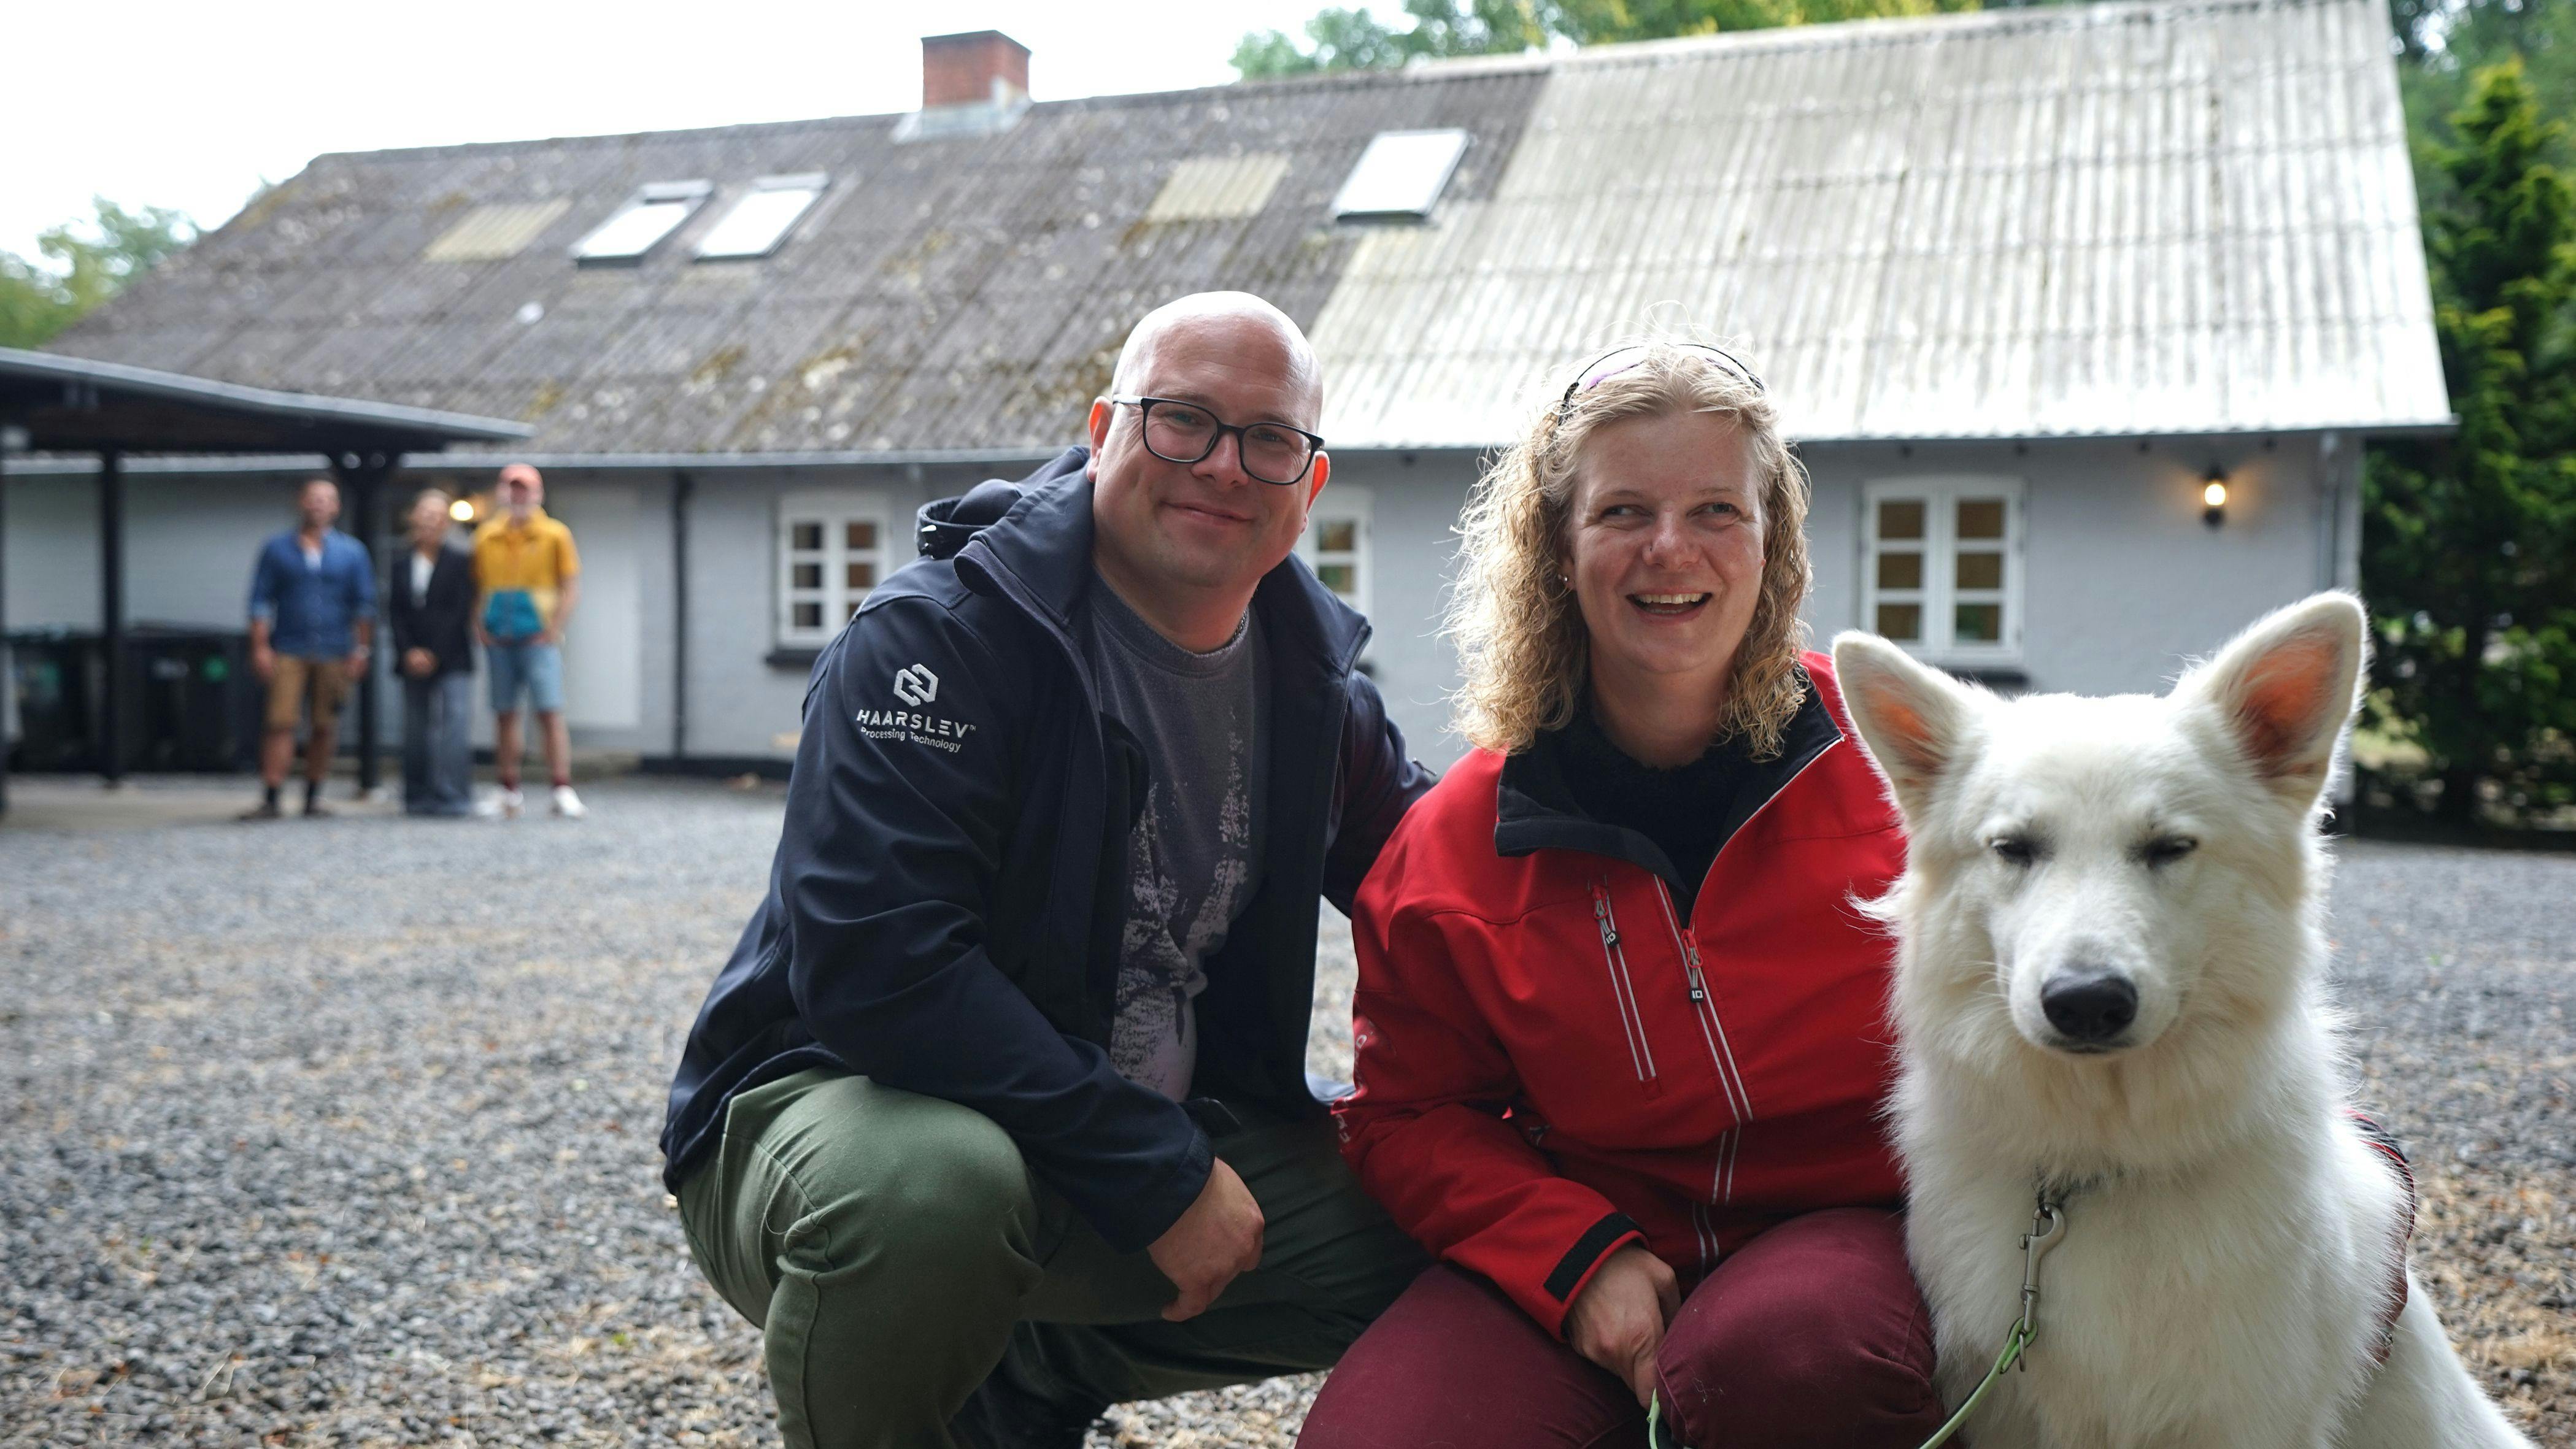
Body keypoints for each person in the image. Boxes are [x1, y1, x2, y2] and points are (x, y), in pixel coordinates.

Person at [661, 292, 1433, 1449]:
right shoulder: (945, 637)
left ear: (1308, 484)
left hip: (1134, 1137)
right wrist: (1158, 1176)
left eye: (1269, 438)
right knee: (934, 1196)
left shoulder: (1311, 685)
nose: (1222, 466)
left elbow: (1449, 888)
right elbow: (881, 966)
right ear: (1101, 429)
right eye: (1181, 420)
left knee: (1462, 1218)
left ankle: (1011, 1370)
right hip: (843, 1112)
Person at [1297, 341, 1944, 1449]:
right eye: (1622, 511)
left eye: (1714, 510)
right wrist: (1570, 1255)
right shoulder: (1453, 847)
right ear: (1556, 546)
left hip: (1850, 1229)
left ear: (1770, 538)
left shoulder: (1908, 769)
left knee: (1785, 1360)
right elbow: (1407, 1113)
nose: (1669, 550)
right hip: (1596, 1230)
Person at [241, 476, 375, 820]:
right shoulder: (277, 549)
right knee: (280, 721)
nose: (319, 505)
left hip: (334, 648)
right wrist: (260, 647)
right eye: (313, 498)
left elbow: (364, 606)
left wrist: (362, 650)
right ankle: (272, 795)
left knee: (324, 724)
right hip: (289, 646)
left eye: (326, 499)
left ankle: (313, 796)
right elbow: (259, 602)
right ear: (301, 502)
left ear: (336, 507)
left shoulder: (352, 552)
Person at [470, 463, 584, 818]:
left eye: (525, 489)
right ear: (503, 493)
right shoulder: (487, 535)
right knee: (505, 714)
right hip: (500, 637)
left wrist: (554, 628)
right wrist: (478, 624)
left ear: (538, 494)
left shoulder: (554, 534)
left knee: (549, 711)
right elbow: (477, 587)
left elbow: (570, 585)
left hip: (537, 637)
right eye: (512, 488)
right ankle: (508, 788)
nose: (518, 496)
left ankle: (561, 787)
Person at [390, 487, 477, 816]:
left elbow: (459, 612)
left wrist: (434, 653)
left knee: (454, 723)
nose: (429, 521)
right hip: (411, 657)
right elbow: (395, 612)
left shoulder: (459, 562)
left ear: (446, 523)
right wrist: (409, 651)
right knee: (415, 727)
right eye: (424, 514)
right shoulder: (400, 563)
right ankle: (416, 794)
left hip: (452, 656)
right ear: (413, 518)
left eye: (437, 516)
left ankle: (453, 794)